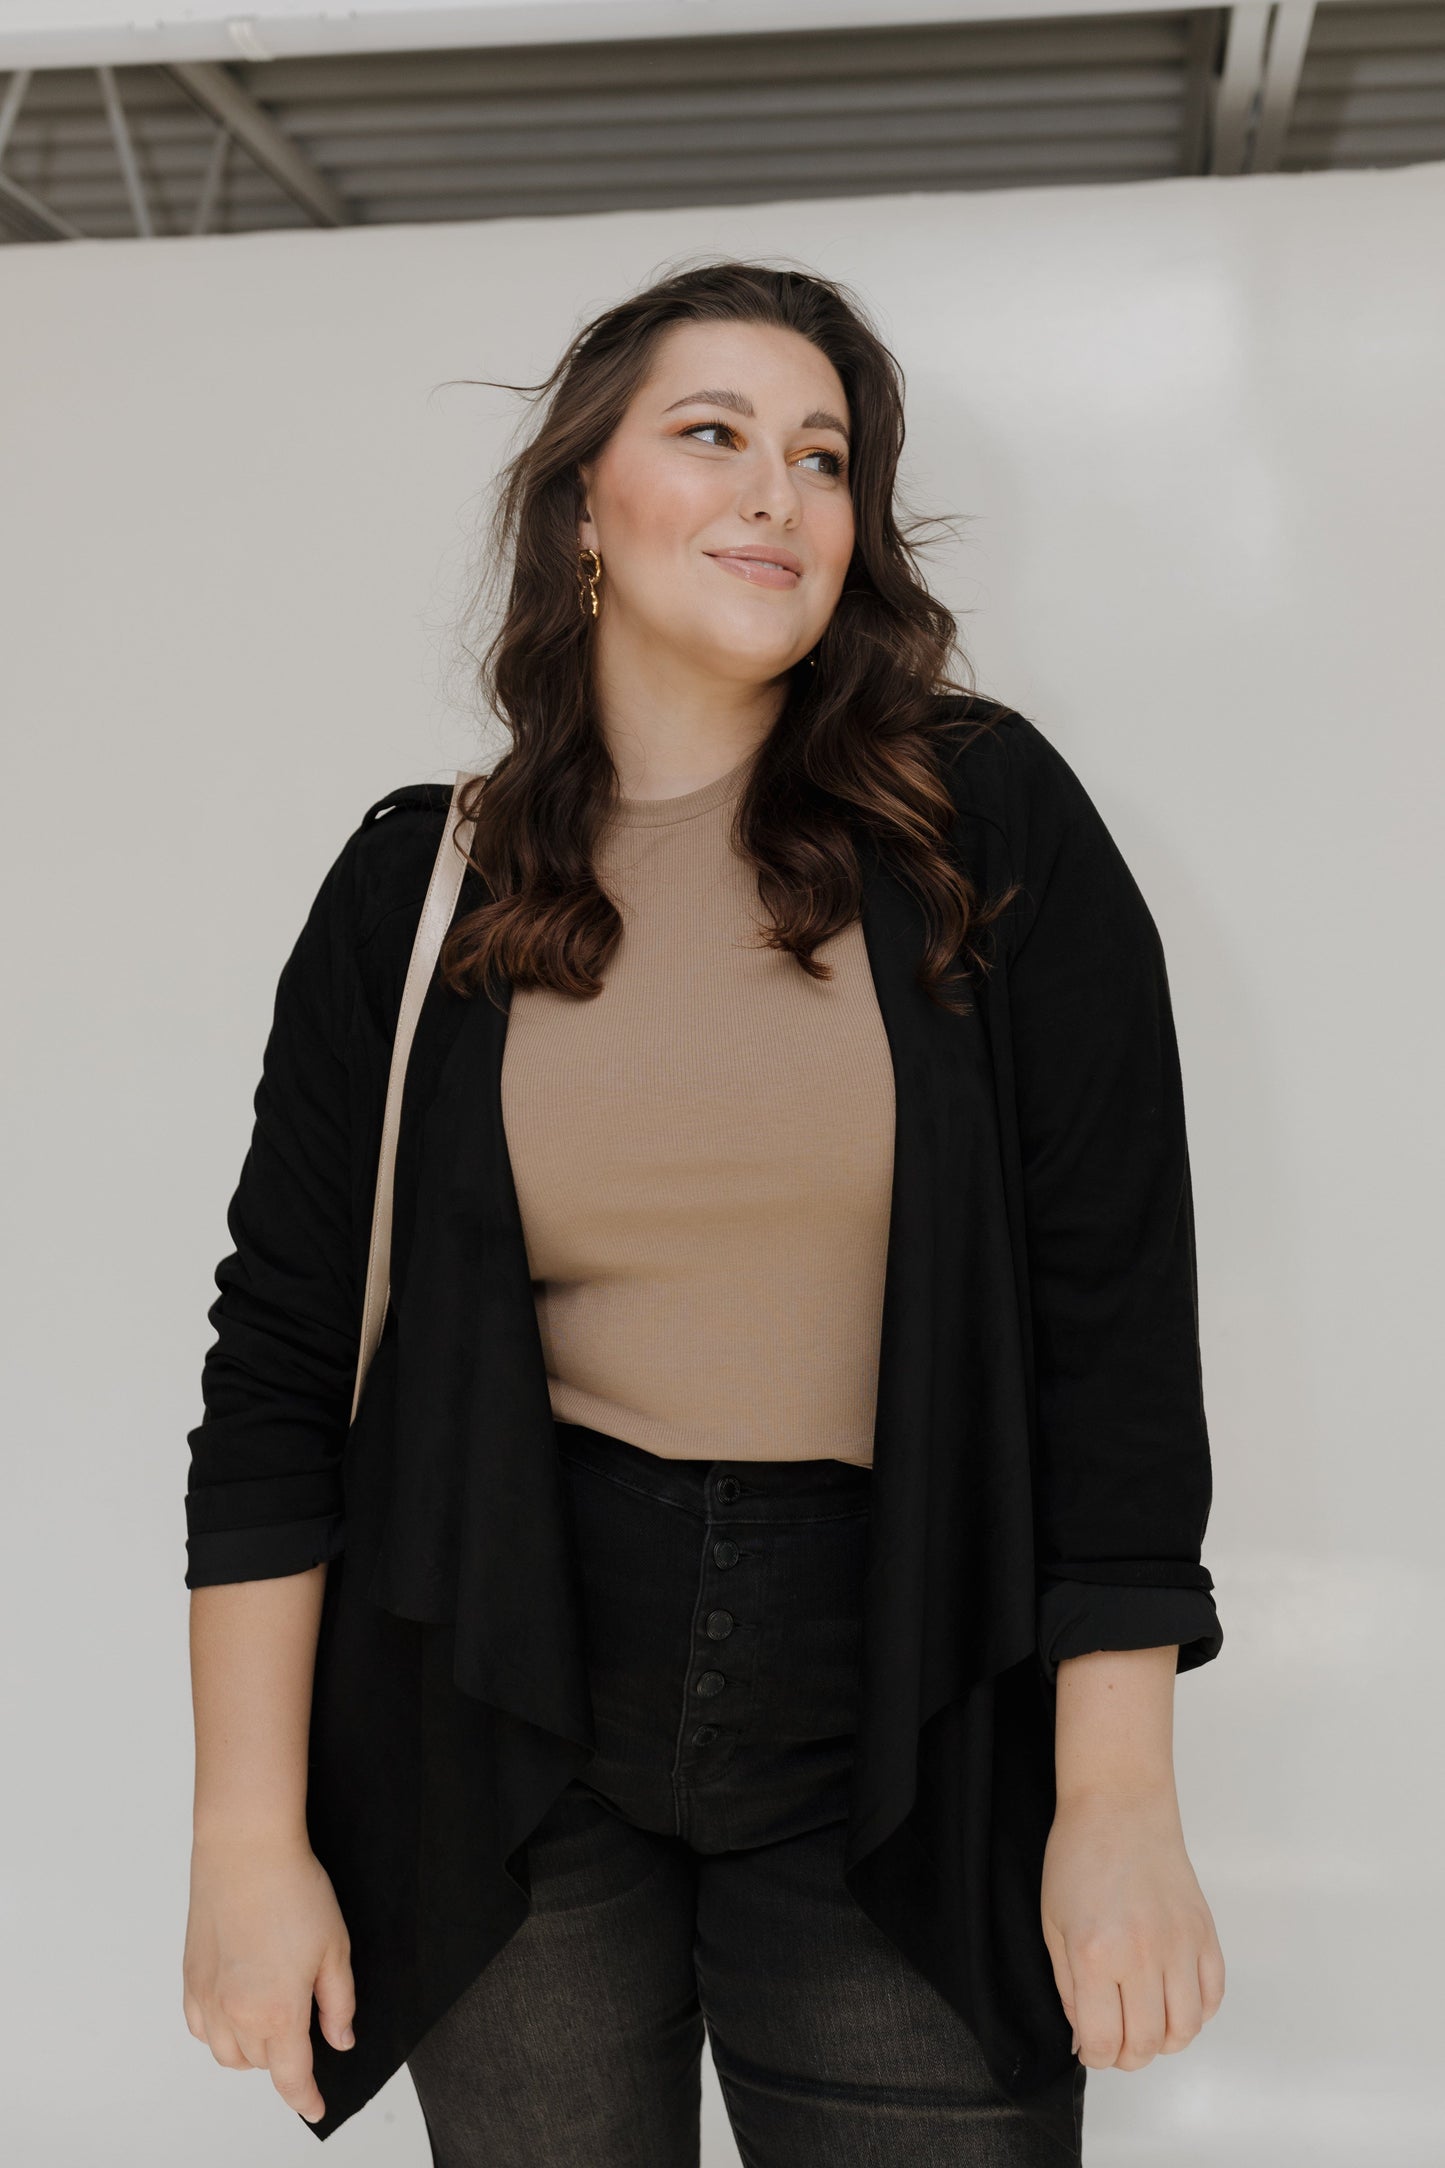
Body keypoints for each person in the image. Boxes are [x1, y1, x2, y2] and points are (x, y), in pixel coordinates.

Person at [181, 258, 1225, 2165]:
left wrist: (1116, 1799)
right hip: (507, 1696)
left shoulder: (981, 828)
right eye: (714, 434)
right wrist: (246, 1839)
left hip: (902, 1702)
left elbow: (1113, 1331)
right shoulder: (416, 890)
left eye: (825, 458)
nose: (779, 493)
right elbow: (276, 1375)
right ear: (583, 505)